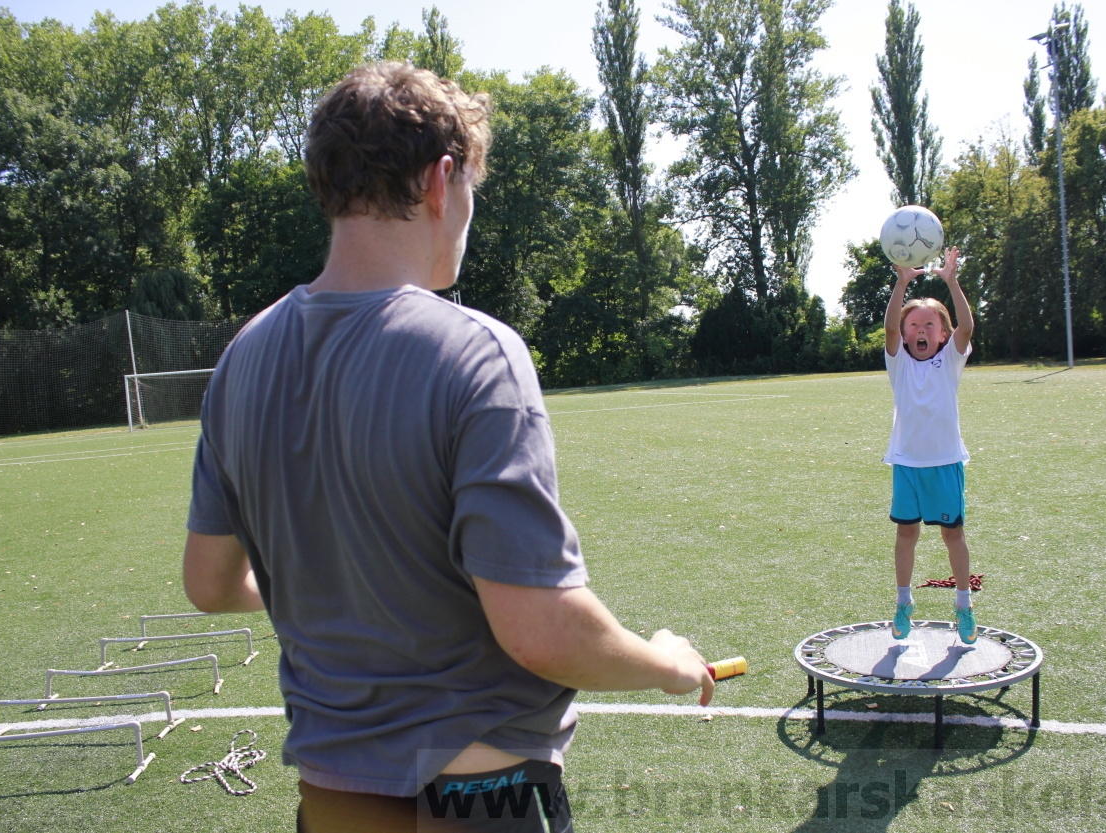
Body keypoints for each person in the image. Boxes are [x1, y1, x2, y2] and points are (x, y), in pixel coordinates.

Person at [183, 62, 714, 833]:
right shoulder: (476, 353)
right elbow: (538, 630)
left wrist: (340, 589)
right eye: (470, 189)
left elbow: (209, 582)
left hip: (332, 801)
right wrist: (665, 659)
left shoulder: (242, 357)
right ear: (440, 181)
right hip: (476, 799)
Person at [881, 246, 977, 644]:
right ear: (905, 335)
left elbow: (967, 328)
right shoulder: (899, 361)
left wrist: (951, 281)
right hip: (907, 464)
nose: (921, 331)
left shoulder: (949, 359)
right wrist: (902, 284)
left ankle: (964, 605)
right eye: (914, 325)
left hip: (944, 463)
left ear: (942, 333)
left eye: (929, 325)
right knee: (906, 535)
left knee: (952, 535)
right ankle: (904, 602)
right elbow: (888, 329)